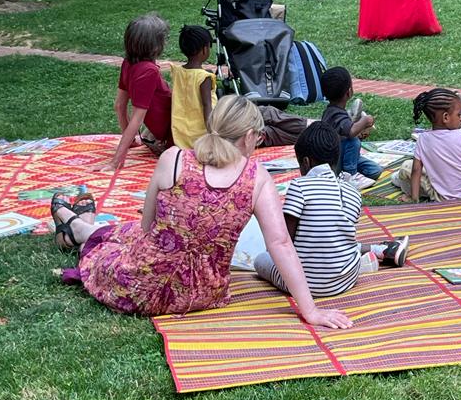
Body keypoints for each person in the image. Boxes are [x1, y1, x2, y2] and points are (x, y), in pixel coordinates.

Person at [53, 96, 352, 328]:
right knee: (124, 233)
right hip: (200, 295)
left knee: (124, 234)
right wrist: (310, 311)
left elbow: (146, 229)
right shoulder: (257, 178)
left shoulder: (173, 158)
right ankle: (77, 226)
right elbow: (281, 245)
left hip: (139, 286)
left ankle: (77, 226)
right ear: (249, 136)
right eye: (259, 137)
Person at [254, 123, 409, 297]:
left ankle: (370, 257)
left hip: (302, 283)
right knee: (335, 243)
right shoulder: (353, 192)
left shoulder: (299, 186)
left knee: (260, 259)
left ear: (305, 162)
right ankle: (375, 253)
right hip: (345, 281)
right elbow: (338, 237)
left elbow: (284, 240)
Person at [391, 88, 461, 202]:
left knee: (406, 167)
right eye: (459, 115)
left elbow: (416, 170)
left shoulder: (423, 139)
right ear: (445, 117)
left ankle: (399, 182)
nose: (460, 119)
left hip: (443, 197)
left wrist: (414, 198)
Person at [109, 13, 172, 170]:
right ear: (156, 46)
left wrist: (131, 142)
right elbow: (137, 117)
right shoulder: (148, 71)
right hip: (170, 136)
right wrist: (116, 161)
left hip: (156, 134)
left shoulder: (128, 63)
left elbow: (119, 105)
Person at [320, 66, 382, 182]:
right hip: (333, 161)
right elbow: (350, 132)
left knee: (375, 170)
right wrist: (364, 122)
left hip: (343, 157)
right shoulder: (335, 114)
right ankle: (350, 176)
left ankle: (349, 171)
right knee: (353, 141)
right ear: (349, 92)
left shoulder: (334, 111)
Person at [170, 25, 217, 149]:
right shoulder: (204, 77)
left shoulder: (177, 72)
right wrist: (213, 134)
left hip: (181, 136)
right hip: (201, 137)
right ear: (204, 49)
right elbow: (207, 106)